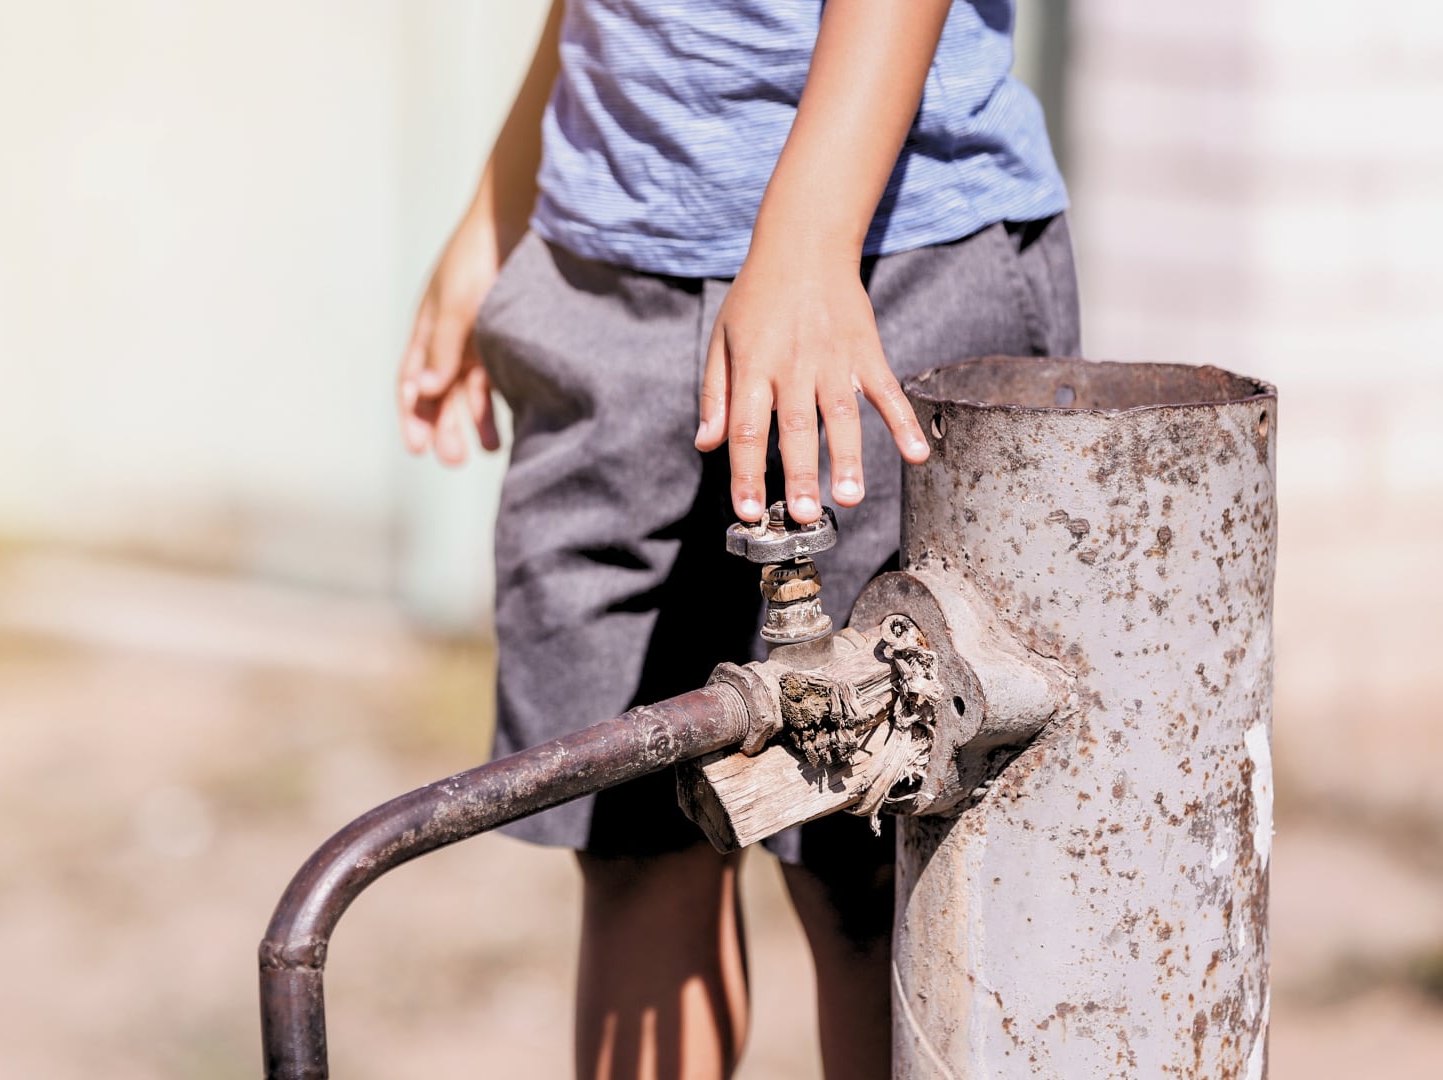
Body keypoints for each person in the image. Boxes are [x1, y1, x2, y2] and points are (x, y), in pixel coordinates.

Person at [395, 2, 1078, 1077]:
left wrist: (810, 236)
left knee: (877, 868)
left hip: (891, 262)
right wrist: (504, 197)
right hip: (601, 273)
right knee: (629, 840)